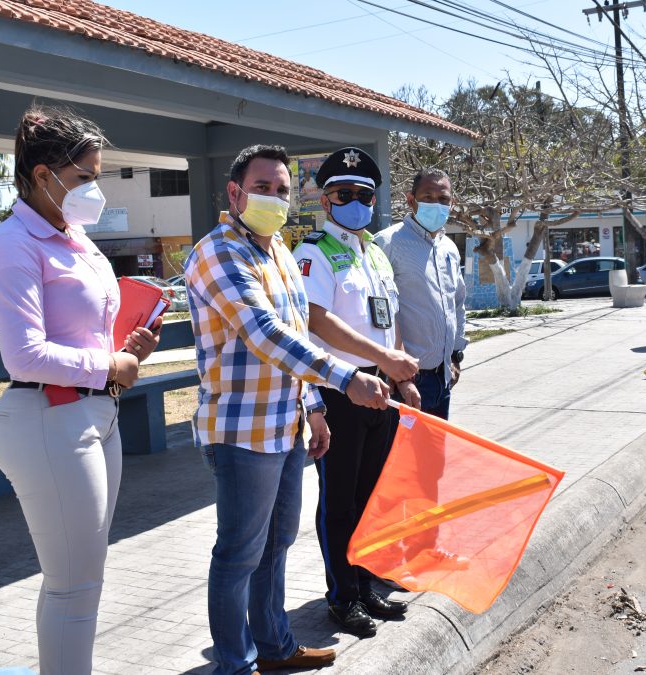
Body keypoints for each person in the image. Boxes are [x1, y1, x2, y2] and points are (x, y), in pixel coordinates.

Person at [185, 144, 392, 674]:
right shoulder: (218, 253)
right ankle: (235, 663)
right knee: (239, 553)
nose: (274, 198)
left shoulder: (277, 249)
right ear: (234, 193)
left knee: (276, 545)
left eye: (282, 189)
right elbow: (265, 334)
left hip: (286, 425)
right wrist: (345, 378)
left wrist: (314, 406)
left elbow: (298, 331)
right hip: (241, 430)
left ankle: (275, 647)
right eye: (262, 188)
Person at [0, 107, 159, 675]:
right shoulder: (12, 244)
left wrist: (127, 347)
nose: (94, 190)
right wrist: (108, 364)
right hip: (46, 417)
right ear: (42, 175)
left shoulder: (74, 237)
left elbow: (83, 328)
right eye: (84, 177)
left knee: (76, 581)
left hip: (94, 415)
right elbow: (24, 354)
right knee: (73, 588)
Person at [293, 147, 421, 638]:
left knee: (373, 497)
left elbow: (389, 320)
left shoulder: (375, 253)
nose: (355, 203)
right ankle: (342, 596)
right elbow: (315, 320)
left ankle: (366, 583)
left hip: (382, 388)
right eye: (343, 194)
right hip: (340, 388)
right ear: (325, 201)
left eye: (364, 195)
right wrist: (384, 358)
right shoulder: (312, 253)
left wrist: (402, 376)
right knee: (340, 501)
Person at [372, 167, 468, 420]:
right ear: (410, 199)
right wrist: (396, 372)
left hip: (443, 377)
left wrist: (456, 356)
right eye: (428, 197)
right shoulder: (386, 243)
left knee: (433, 447)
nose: (436, 204)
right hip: (403, 381)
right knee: (400, 446)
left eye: (443, 199)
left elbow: (457, 303)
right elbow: (378, 312)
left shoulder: (449, 248)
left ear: (452, 203)